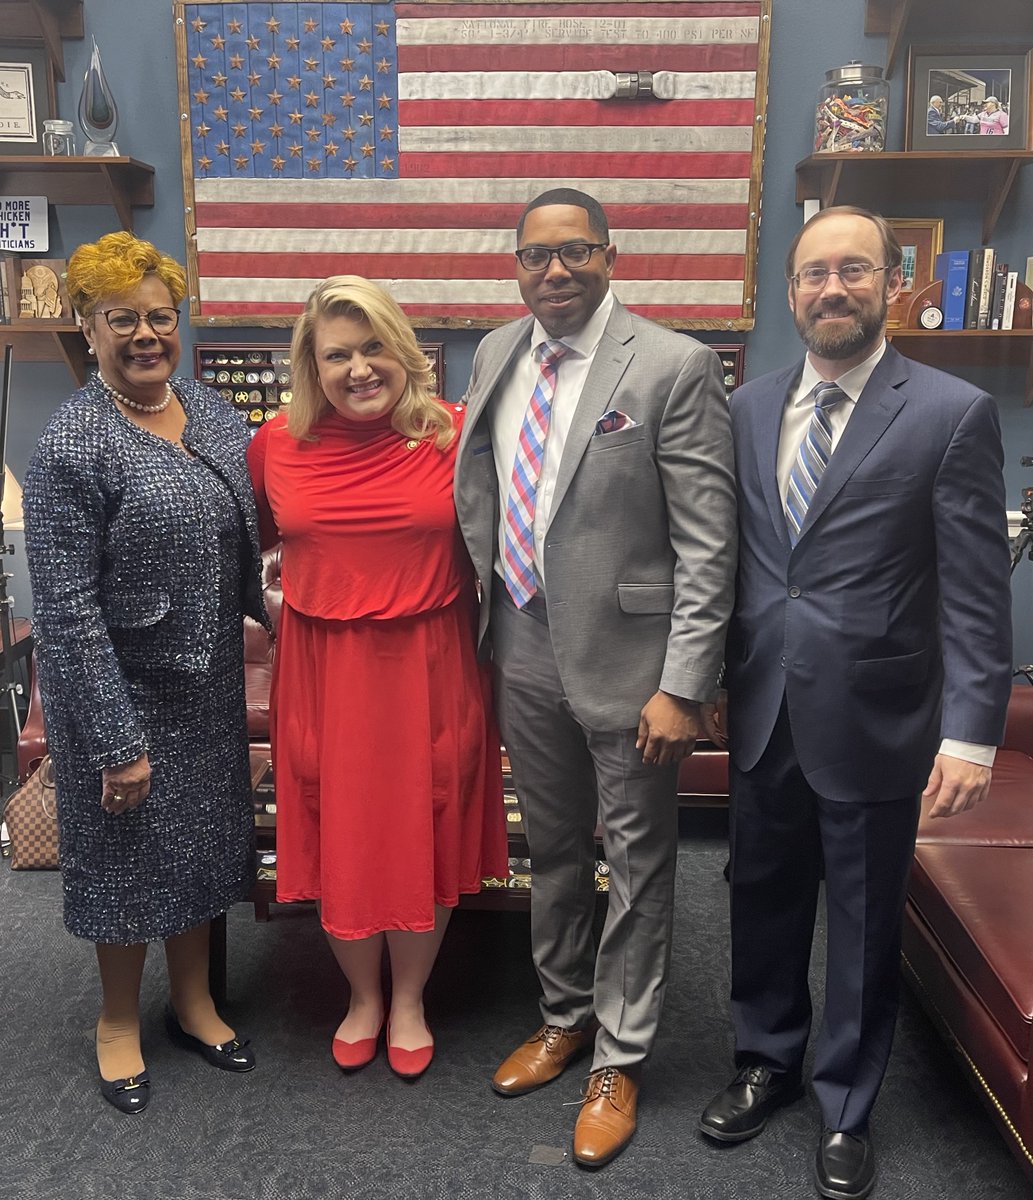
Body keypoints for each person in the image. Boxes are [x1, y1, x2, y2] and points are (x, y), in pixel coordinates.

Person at [698, 206, 1012, 1200]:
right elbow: (741, 566)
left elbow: (972, 589)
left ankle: (844, 1102)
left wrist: (971, 735)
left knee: (866, 917)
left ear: (890, 284)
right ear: (789, 292)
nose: (832, 290)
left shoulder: (949, 412)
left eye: (854, 271)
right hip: (760, 705)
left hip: (880, 715)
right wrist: (709, 679)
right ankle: (766, 1061)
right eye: (813, 274)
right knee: (761, 896)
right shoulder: (747, 406)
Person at [454, 187, 736, 1166]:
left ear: (609, 257)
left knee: (640, 863)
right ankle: (564, 1016)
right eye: (536, 256)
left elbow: (708, 542)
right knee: (556, 854)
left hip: (636, 668)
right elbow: (483, 492)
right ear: (517, 267)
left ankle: (620, 1055)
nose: (555, 271)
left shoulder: (672, 365)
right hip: (521, 644)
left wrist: (685, 682)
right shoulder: (494, 353)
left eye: (574, 252)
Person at [23, 232, 267, 1115]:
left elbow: (252, 540)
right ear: (88, 328)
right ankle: (118, 1020)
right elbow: (66, 611)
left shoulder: (212, 414)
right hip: (118, 692)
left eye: (159, 316)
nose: (144, 334)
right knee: (125, 864)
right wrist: (117, 743)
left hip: (205, 688)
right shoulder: (72, 445)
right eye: (120, 318)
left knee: (201, 852)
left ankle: (195, 1003)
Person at [247, 275, 507, 1080]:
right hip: (325, 672)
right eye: (337, 356)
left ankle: (410, 1000)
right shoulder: (272, 447)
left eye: (373, 348)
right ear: (310, 366)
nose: (359, 368)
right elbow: (252, 549)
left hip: (432, 667)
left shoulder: (459, 436)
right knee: (341, 831)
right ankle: (362, 997)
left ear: (403, 351)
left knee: (423, 828)